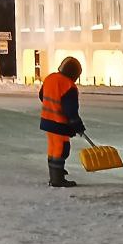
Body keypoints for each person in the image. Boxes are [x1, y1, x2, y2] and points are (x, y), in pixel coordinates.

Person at [39, 57, 85, 187]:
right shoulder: (68, 85)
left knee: (53, 149)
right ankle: (57, 179)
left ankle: (54, 175)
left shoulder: (50, 78)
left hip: (47, 121)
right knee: (61, 150)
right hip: (59, 123)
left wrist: (52, 106)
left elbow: (42, 95)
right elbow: (70, 110)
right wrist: (78, 125)